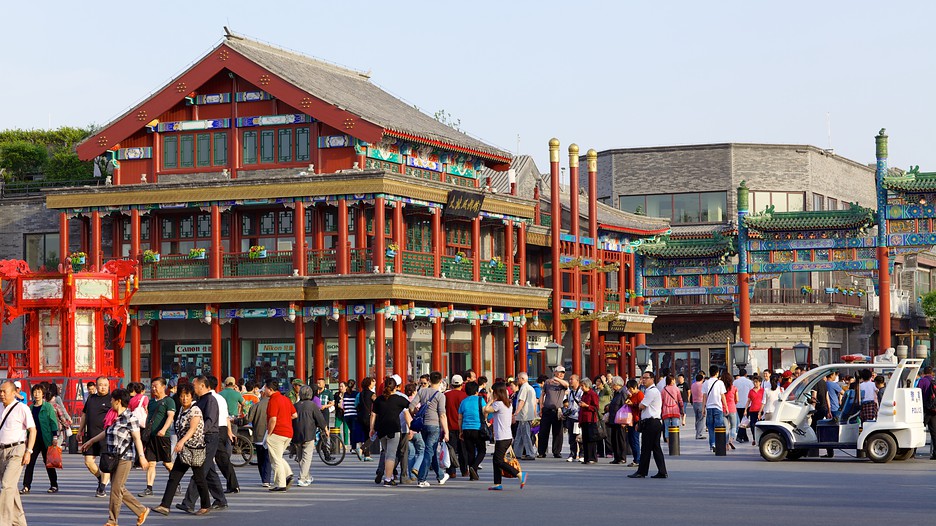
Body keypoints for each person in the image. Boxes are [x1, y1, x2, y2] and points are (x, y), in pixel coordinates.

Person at [80, 388, 150, 526]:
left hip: (125, 457)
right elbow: (107, 432)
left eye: (112, 399)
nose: (110, 401)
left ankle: (112, 520)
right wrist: (91, 441)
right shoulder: (115, 417)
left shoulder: (131, 418)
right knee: (118, 488)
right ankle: (141, 510)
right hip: (113, 457)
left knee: (116, 488)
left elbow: (137, 439)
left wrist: (142, 456)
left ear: (118, 401)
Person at [151, 382, 211, 517]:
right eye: (182, 396)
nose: (184, 398)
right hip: (184, 450)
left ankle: (206, 505)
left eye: (187, 396)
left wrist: (181, 442)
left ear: (191, 396)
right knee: (174, 477)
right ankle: (165, 505)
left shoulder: (195, 410)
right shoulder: (182, 410)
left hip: (194, 450)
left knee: (199, 478)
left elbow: (192, 429)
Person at [176, 376, 225, 513]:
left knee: (200, 470)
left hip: (209, 437)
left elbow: (209, 420)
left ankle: (188, 502)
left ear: (202, 385)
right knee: (209, 471)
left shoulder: (210, 400)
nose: (193, 386)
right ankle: (220, 499)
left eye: (194, 384)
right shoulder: (200, 401)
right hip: (203, 438)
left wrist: (198, 432)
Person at [0, 380, 37, 526]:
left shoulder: (22, 408)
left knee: (6, 485)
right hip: (2, 450)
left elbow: (32, 430)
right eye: (0, 391)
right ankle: (19, 522)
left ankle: (3, 522)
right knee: (12, 487)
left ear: (14, 392)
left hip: (17, 449)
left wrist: (29, 451)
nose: (2, 394)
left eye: (5, 391)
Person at [482, 382, 525, 490]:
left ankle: (519, 474)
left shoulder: (498, 404)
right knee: (496, 460)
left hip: (502, 437)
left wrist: (491, 400)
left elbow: (485, 410)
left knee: (498, 460)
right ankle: (497, 483)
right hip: (506, 436)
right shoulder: (508, 403)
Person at [370, 377, 412, 486]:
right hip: (394, 429)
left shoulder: (379, 399)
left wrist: (371, 428)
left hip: (381, 430)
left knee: (386, 451)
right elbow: (408, 412)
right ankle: (388, 479)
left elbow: (373, 414)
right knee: (391, 455)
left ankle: (390, 475)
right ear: (396, 387)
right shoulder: (399, 399)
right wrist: (411, 428)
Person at [410, 371, 449, 487]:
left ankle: (440, 476)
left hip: (423, 425)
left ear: (429, 380)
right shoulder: (440, 395)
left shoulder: (422, 391)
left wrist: (418, 413)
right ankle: (421, 479)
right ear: (440, 381)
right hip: (434, 425)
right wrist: (446, 431)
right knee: (429, 451)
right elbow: (442, 414)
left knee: (430, 450)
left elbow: (411, 406)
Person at [138, 377, 175, 498]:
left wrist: (163, 430)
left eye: (156, 386)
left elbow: (170, 417)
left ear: (163, 386)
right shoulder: (151, 401)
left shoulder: (169, 401)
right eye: (152, 386)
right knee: (151, 463)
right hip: (151, 437)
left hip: (163, 437)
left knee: (167, 463)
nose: (153, 388)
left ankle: (176, 481)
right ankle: (149, 487)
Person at [627, 372, 667, 479]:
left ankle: (642, 471)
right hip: (653, 422)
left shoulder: (651, 392)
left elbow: (641, 406)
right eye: (642, 378)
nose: (643, 380)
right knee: (656, 447)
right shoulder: (650, 391)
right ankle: (662, 471)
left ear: (652, 379)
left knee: (646, 448)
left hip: (651, 422)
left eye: (646, 378)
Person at [78, 376, 112, 498]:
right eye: (100, 385)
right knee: (88, 462)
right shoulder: (91, 398)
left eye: (105, 385)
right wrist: (80, 430)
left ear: (108, 386)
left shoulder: (111, 399)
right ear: (96, 386)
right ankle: (100, 478)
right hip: (90, 435)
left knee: (105, 464)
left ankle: (102, 487)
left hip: (105, 436)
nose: (102, 387)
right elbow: (84, 415)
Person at [21, 384, 57, 495]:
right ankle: (26, 486)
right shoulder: (30, 408)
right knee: (30, 462)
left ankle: (54, 484)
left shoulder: (48, 407)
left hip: (46, 439)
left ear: (43, 394)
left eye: (39, 392)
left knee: (48, 463)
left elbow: (53, 421)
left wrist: (54, 436)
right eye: (35, 392)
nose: (36, 394)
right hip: (34, 440)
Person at [265, 380, 297, 492]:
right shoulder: (286, 399)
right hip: (288, 432)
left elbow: (273, 419)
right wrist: (285, 419)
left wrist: (269, 433)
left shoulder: (273, 400)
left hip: (277, 432)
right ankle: (288, 474)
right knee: (278, 456)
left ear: (270, 389)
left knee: (275, 459)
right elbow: (295, 414)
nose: (264, 390)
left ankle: (281, 483)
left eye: (265, 388)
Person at [293, 385, 327, 486]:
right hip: (308, 433)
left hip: (296, 434)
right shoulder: (312, 405)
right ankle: (302, 478)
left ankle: (307, 476)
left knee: (300, 456)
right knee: (307, 456)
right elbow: (320, 418)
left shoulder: (295, 405)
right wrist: (325, 428)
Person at [537, 366, 569, 458]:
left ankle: (556, 451)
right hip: (547, 409)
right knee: (543, 431)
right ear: (555, 372)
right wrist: (541, 407)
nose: (561, 374)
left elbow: (566, 385)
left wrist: (557, 379)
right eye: (559, 372)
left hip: (558, 410)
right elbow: (542, 394)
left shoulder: (563, 383)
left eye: (563, 373)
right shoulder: (547, 382)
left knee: (558, 432)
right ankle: (541, 452)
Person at [457, 381, 486, 481]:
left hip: (466, 428)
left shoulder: (463, 402)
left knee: (470, 452)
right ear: (476, 390)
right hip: (477, 428)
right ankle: (474, 467)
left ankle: (473, 474)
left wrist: (460, 431)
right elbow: (485, 412)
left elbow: (460, 418)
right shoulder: (480, 400)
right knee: (482, 450)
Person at [246, 383, 272, 487]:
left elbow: (248, 419)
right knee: (267, 458)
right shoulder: (274, 403)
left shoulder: (256, 406)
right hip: (270, 434)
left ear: (262, 393)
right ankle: (267, 479)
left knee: (260, 458)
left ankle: (264, 478)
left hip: (258, 435)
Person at [444, 374, 468, 478]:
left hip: (449, 426)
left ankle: (451, 471)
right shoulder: (464, 396)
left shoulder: (446, 395)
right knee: (463, 450)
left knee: (451, 449)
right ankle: (464, 470)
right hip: (462, 426)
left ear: (451, 384)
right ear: (462, 384)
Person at [513, 373, 537, 460]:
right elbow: (534, 403)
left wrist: (516, 412)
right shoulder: (531, 388)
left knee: (526, 435)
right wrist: (534, 414)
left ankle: (530, 453)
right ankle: (516, 453)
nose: (517, 380)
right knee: (519, 435)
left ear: (522, 379)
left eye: (518, 378)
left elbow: (521, 401)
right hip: (528, 415)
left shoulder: (524, 388)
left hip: (524, 415)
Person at [702, 366, 727, 453]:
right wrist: (726, 407)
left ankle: (712, 444)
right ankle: (718, 443)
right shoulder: (720, 383)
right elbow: (722, 396)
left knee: (711, 428)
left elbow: (704, 396)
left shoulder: (706, 383)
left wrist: (703, 408)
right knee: (718, 427)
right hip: (718, 407)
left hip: (709, 408)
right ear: (717, 373)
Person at [606, 376, 628, 464]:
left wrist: (624, 420)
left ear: (616, 384)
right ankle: (616, 457)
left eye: (612, 384)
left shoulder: (623, 392)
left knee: (620, 439)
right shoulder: (616, 393)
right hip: (614, 419)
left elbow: (625, 406)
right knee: (614, 439)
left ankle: (622, 457)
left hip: (620, 419)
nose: (611, 385)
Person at [578, 378, 600, 464]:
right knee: (585, 439)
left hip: (591, 419)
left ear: (587, 385)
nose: (581, 388)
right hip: (584, 419)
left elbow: (596, 407)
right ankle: (586, 457)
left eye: (582, 386)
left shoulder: (592, 394)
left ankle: (592, 458)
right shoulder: (584, 394)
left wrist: (587, 405)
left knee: (591, 439)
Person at [355, 378, 376, 462]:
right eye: (372, 382)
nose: (374, 383)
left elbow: (356, 404)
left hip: (361, 416)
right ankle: (362, 448)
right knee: (374, 434)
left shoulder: (359, 394)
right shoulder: (372, 394)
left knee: (366, 435)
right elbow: (377, 403)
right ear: (369, 384)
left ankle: (367, 455)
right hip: (369, 417)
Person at [563, 374, 583, 462]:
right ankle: (573, 453)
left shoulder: (581, 391)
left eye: (572, 379)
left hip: (578, 417)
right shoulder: (570, 392)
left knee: (579, 436)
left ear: (577, 381)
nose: (570, 381)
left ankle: (582, 454)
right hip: (571, 416)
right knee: (571, 436)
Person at [624, 379, 643, 467]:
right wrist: (628, 398)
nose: (630, 390)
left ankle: (638, 459)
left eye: (631, 389)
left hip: (637, 420)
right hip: (631, 420)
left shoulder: (640, 395)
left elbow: (641, 407)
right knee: (631, 439)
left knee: (635, 440)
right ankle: (635, 458)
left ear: (635, 387)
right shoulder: (632, 395)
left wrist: (633, 404)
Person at [733, 369, 754, 443]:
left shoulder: (735, 382)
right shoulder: (749, 382)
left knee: (742, 420)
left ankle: (744, 437)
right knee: (744, 421)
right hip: (747, 404)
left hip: (738, 404)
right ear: (746, 374)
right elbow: (752, 391)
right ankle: (739, 436)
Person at [661, 375, 683, 443]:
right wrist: (682, 408)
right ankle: (675, 443)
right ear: (671, 380)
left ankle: (669, 444)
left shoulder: (663, 390)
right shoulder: (676, 389)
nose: (674, 381)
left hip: (666, 411)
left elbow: (661, 401)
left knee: (667, 428)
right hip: (675, 410)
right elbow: (680, 400)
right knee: (675, 427)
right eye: (673, 380)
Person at [744, 376, 764, 446]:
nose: (755, 383)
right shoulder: (751, 391)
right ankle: (754, 438)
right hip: (752, 410)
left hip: (761, 410)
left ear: (760, 383)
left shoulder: (763, 391)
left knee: (760, 425)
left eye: (756, 382)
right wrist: (745, 409)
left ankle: (760, 438)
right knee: (752, 425)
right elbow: (748, 401)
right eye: (754, 382)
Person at [722, 371, 739, 450]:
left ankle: (726, 444)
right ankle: (731, 440)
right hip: (732, 408)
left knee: (726, 428)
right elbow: (737, 400)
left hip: (723, 409)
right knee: (733, 426)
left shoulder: (721, 389)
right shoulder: (734, 388)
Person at [689, 373, 706, 440]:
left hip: (694, 402)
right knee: (701, 418)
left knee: (697, 417)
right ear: (702, 379)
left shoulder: (693, 385)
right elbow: (704, 394)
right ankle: (699, 434)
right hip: (700, 402)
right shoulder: (702, 385)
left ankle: (697, 431)